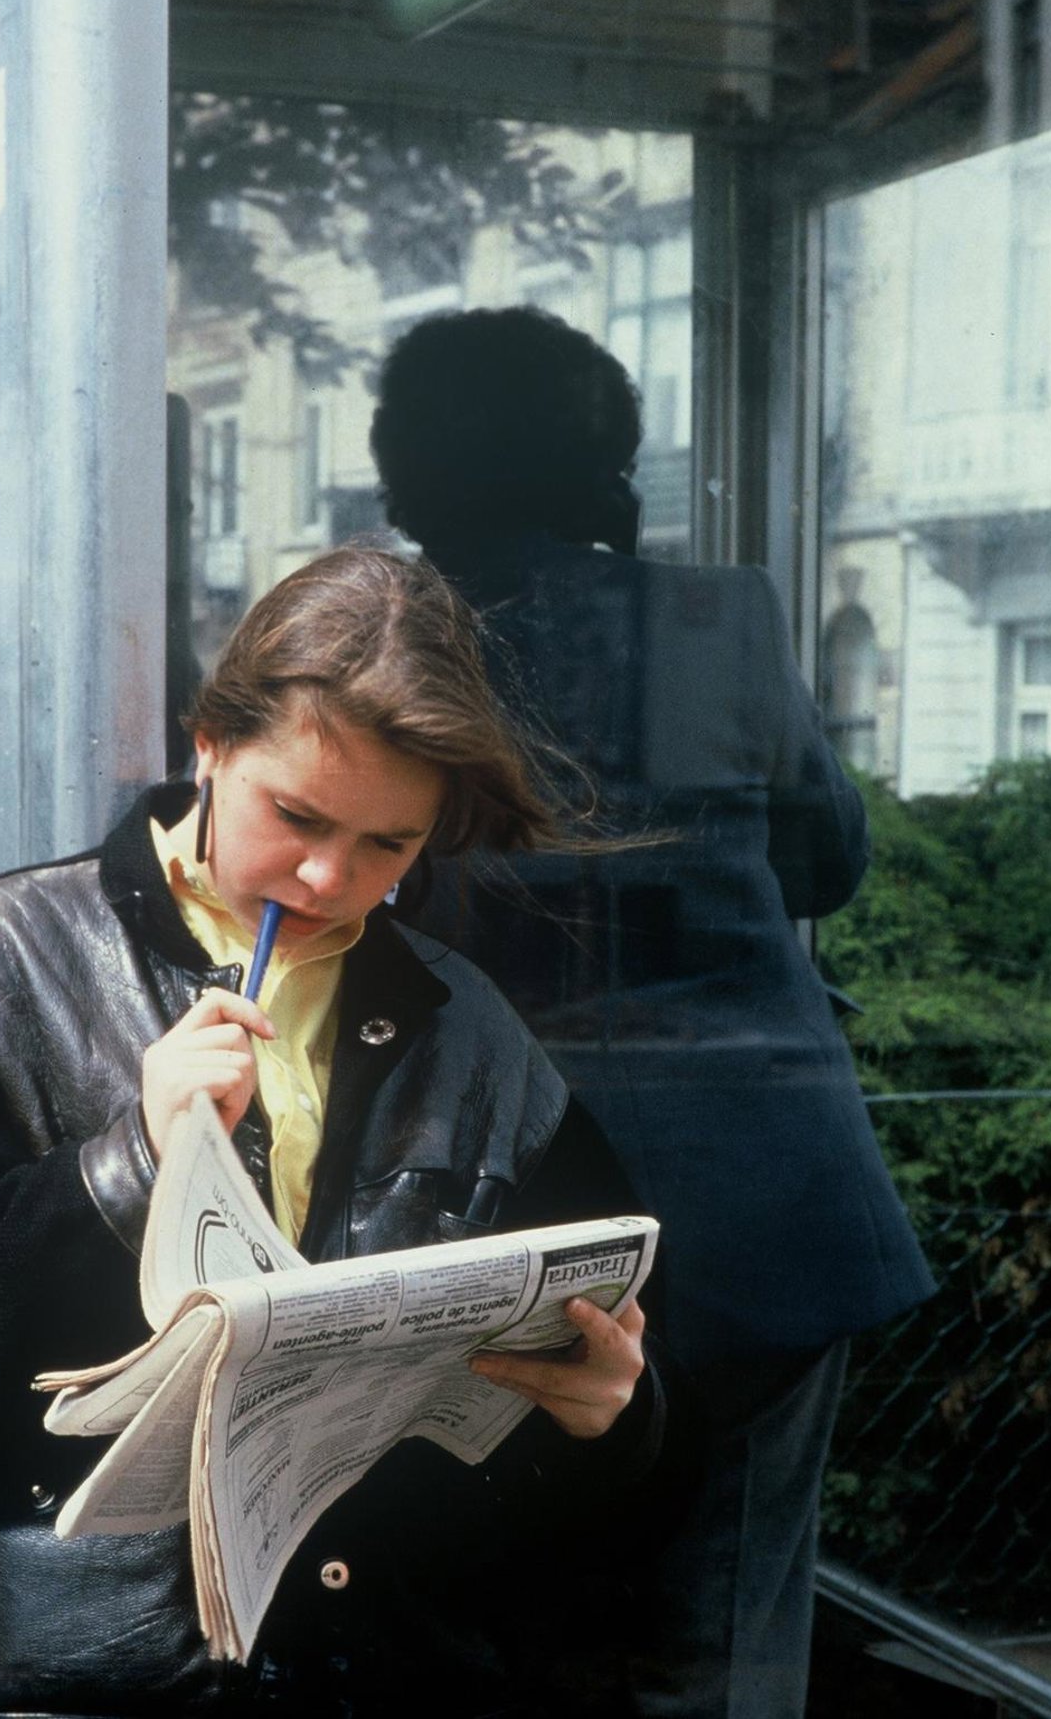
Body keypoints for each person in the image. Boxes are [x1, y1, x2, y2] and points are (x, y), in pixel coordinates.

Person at [0, 546, 677, 1719]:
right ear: (208, 744)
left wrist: (609, 1414)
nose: (330, 875)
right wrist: (126, 1166)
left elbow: (595, 1407)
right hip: (75, 1693)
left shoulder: (469, 1026)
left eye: (390, 844)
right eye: (295, 814)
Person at [370, 306, 937, 1719]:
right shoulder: (711, 621)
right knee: (723, 1637)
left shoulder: (389, 643)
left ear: (408, 480)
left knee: (498, 1626)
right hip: (764, 1205)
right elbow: (826, 858)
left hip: (495, 1210)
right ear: (609, 470)